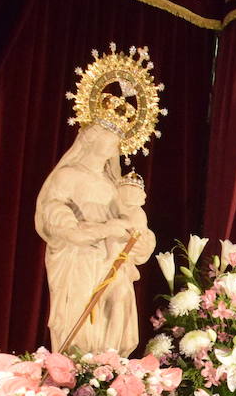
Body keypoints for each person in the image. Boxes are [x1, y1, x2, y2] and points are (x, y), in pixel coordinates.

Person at [34, 123, 155, 356]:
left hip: (114, 262)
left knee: (114, 315)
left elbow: (134, 221)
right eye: (111, 135)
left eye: (118, 137)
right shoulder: (67, 176)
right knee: (79, 321)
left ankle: (107, 371)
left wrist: (141, 241)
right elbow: (56, 217)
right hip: (80, 260)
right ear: (91, 138)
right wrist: (104, 229)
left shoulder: (115, 184)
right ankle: (78, 375)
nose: (115, 142)